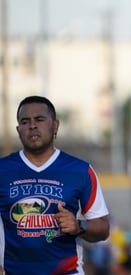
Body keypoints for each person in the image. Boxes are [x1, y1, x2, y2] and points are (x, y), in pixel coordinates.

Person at [0, 96, 110, 274]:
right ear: (18, 129)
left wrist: (78, 226)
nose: (32, 126)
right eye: (25, 121)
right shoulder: (2, 170)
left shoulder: (81, 170)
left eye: (40, 119)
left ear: (55, 125)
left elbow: (103, 228)